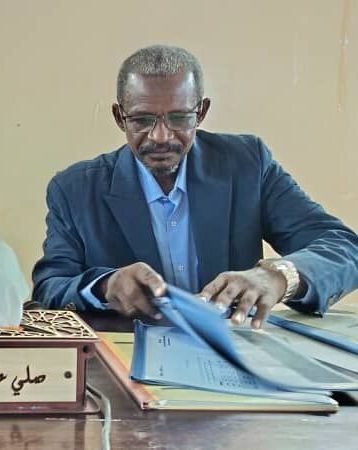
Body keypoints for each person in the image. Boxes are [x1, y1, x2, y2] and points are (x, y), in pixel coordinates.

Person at [32, 45, 358, 328]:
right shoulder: (75, 189)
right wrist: (105, 286)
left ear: (201, 112)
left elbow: (344, 247)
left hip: (234, 356)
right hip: (127, 362)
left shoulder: (247, 165)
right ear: (120, 117)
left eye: (179, 118)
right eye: (143, 120)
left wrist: (279, 276)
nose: (161, 136)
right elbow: (50, 288)